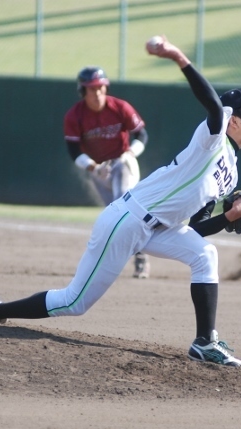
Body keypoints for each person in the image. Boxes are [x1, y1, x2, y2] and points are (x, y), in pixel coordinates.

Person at [0, 35, 241, 367]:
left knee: (204, 254)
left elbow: (197, 229)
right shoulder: (211, 140)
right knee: (74, 302)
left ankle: (204, 342)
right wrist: (176, 56)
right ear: (233, 120)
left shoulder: (230, 170)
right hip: (127, 220)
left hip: (159, 229)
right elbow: (214, 105)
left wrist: (233, 214)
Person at [64, 66, 151, 278]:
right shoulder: (75, 116)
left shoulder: (119, 107)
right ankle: (126, 256)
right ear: (82, 91)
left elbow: (142, 135)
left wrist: (130, 153)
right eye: (91, 89)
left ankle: (139, 257)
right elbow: (73, 151)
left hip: (123, 163)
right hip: (98, 169)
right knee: (113, 214)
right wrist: (93, 167)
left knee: (124, 209)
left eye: (101, 87)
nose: (97, 93)